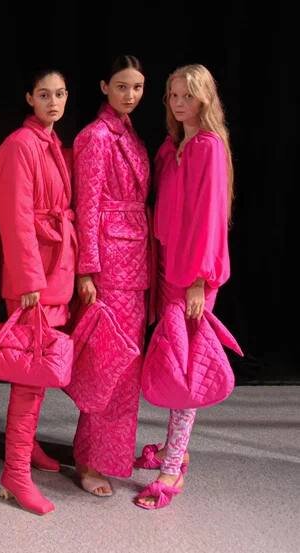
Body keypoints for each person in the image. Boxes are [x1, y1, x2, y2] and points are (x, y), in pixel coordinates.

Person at [134, 64, 234, 510]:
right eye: (173, 96)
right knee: (175, 362)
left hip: (192, 274)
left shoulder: (208, 147)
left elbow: (209, 218)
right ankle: (176, 448)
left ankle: (173, 466)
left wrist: (196, 280)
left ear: (204, 99)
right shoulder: (173, 147)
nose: (178, 104)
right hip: (168, 267)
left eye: (187, 96)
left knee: (186, 370)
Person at [0, 69, 76, 515]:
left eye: (59, 94)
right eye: (44, 94)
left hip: (54, 268)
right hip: (33, 278)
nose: (53, 102)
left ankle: (26, 449)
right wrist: (28, 280)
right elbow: (15, 216)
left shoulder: (51, 142)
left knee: (40, 370)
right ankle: (15, 472)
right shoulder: (19, 145)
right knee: (28, 374)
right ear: (29, 98)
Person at [71, 55, 150, 497]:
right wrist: (88, 269)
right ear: (104, 86)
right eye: (122, 86)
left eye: (137, 87)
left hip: (135, 262)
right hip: (109, 266)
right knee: (108, 364)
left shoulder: (130, 135)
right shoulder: (96, 136)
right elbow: (86, 205)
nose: (130, 95)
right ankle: (89, 460)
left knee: (127, 366)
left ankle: (109, 455)